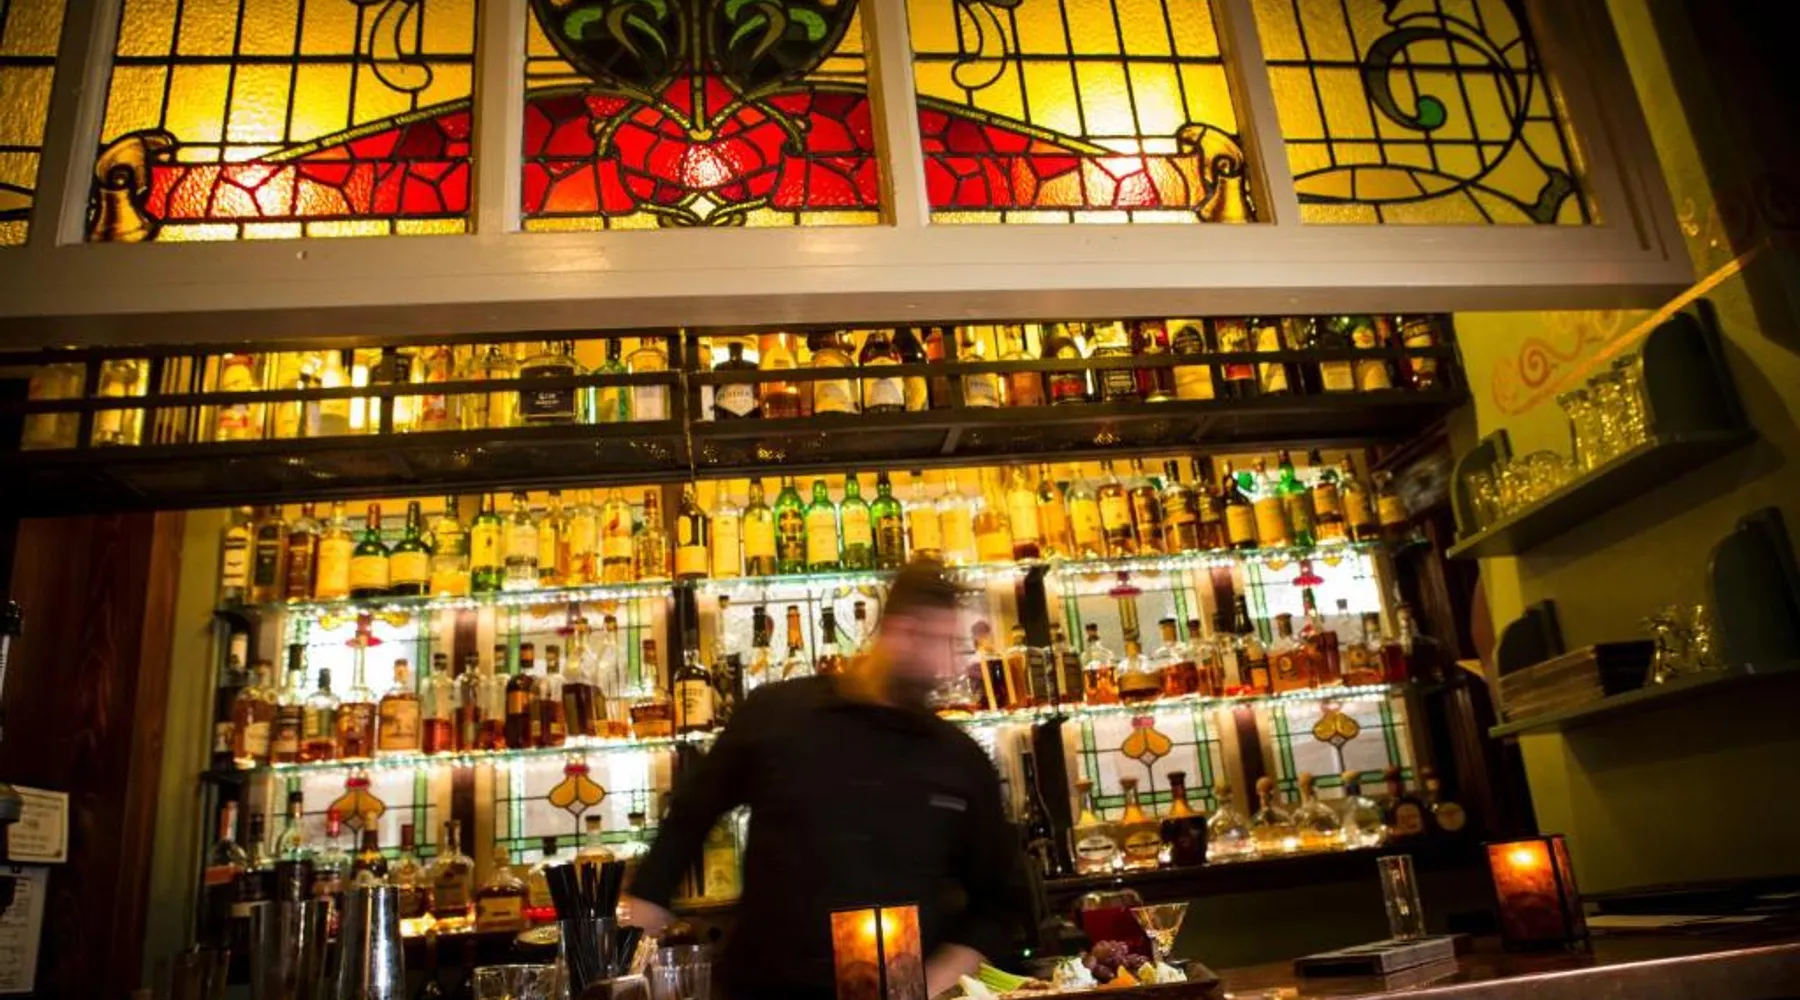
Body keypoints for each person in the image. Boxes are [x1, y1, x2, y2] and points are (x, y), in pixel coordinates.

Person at [626, 557, 1022, 999]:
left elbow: (1000, 902)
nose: (948, 667)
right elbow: (689, 816)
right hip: (769, 991)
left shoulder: (959, 759)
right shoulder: (779, 714)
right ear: (901, 629)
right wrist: (642, 912)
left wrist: (930, 982)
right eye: (939, 641)